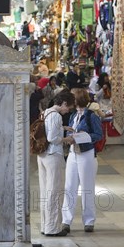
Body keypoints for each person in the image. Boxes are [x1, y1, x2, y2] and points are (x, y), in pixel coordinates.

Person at [61, 88, 103, 233]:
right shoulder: (73, 115)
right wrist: (69, 137)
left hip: (87, 154)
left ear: (78, 99)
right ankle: (66, 220)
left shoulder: (92, 116)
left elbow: (98, 135)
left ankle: (89, 221)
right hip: (73, 153)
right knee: (69, 186)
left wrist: (82, 137)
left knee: (87, 187)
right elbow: (69, 131)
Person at [37, 90, 75, 236]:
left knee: (45, 191)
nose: (68, 111)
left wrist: (63, 128)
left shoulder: (46, 112)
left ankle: (45, 225)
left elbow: (48, 129)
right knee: (54, 192)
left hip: (43, 155)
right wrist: (67, 139)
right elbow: (52, 137)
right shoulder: (56, 116)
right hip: (53, 155)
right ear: (64, 103)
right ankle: (53, 229)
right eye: (68, 107)